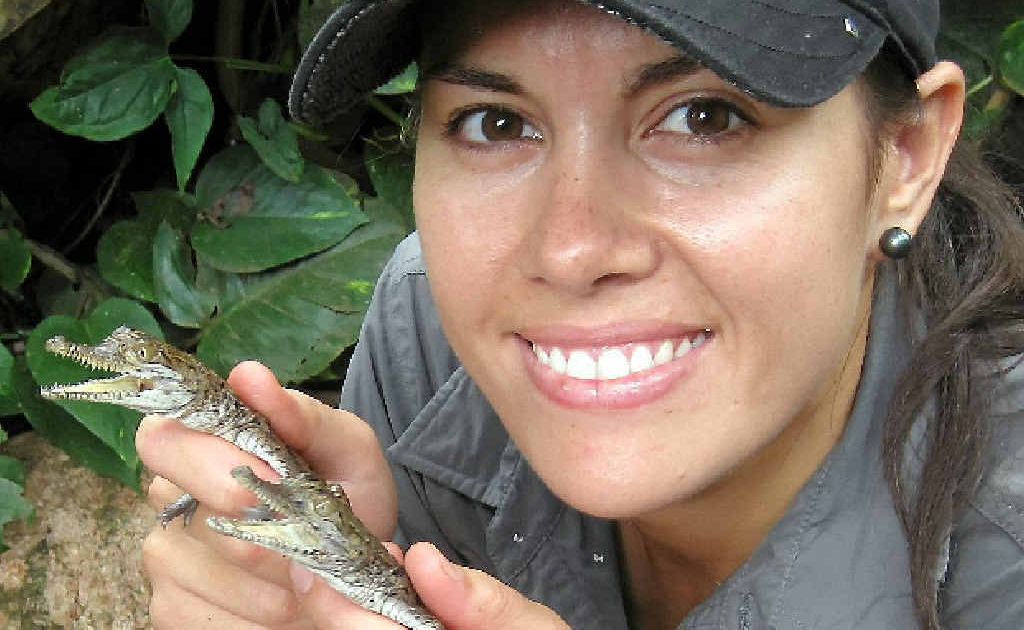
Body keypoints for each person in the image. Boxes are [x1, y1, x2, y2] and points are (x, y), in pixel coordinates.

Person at [136, 0, 1024, 628]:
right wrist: (320, 590)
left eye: (704, 118)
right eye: (494, 123)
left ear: (905, 156)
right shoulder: (435, 334)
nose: (569, 249)